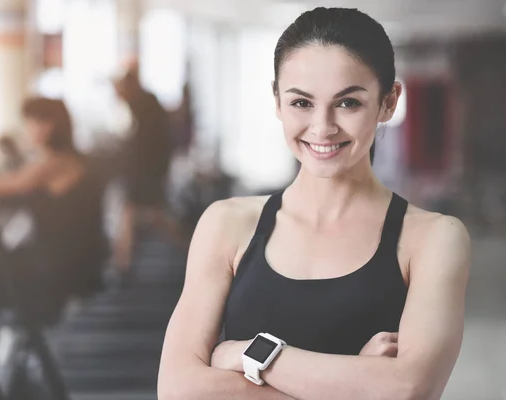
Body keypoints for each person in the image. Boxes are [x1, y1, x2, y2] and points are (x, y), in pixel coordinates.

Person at [157, 7, 470, 400]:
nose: (322, 127)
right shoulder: (226, 224)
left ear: (388, 102)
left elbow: (409, 389)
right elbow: (179, 388)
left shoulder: (434, 238)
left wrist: (250, 356)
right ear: (277, 102)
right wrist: (355, 381)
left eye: (348, 103)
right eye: (302, 103)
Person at [0, 97, 107, 319]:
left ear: (48, 126)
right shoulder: (65, 159)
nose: (27, 130)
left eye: (30, 123)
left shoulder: (55, 163)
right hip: (72, 257)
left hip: (63, 265)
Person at [112, 65, 185, 274]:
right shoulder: (144, 104)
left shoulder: (145, 105)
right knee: (144, 214)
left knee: (147, 214)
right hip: (147, 171)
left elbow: (147, 145)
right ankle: (123, 263)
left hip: (147, 172)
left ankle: (123, 266)